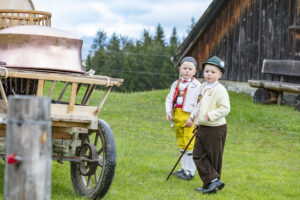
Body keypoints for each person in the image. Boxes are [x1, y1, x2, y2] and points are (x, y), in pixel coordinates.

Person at [186, 56, 230, 194]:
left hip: (215, 128)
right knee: (197, 154)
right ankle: (213, 181)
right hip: (201, 127)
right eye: (207, 71)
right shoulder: (203, 86)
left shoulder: (220, 89)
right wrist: (192, 117)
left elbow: (225, 108)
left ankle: (210, 186)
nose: (209, 74)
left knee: (213, 157)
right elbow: (198, 105)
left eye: (213, 72)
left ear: (219, 74)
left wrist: (210, 116)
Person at [165, 56, 201, 180]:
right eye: (184, 68)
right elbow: (170, 98)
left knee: (189, 144)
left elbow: (199, 103)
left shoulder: (197, 86)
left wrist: (192, 118)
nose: (187, 71)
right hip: (177, 116)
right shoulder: (176, 84)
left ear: (195, 71)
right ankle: (183, 168)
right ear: (180, 69)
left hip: (188, 116)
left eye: (190, 69)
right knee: (181, 142)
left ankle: (190, 171)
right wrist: (169, 111)